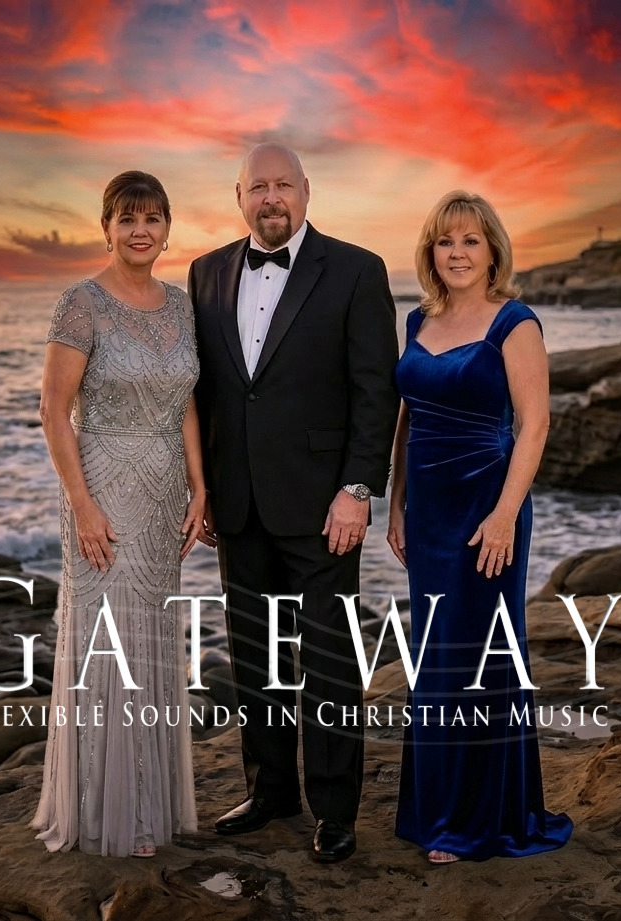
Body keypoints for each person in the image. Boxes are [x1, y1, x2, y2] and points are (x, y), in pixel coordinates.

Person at [188, 143, 400, 862]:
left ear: (306, 191)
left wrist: (358, 490)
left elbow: (376, 391)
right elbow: (207, 392)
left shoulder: (357, 270)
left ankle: (335, 810)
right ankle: (270, 789)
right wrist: (202, 487)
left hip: (323, 506)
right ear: (238, 196)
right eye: (258, 187)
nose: (271, 197)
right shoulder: (205, 272)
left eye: (283, 184)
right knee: (256, 655)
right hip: (237, 503)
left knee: (329, 658)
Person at [387, 190, 573, 864]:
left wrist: (503, 514)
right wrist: (396, 503)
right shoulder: (418, 320)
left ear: (493, 249)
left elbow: (535, 424)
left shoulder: (514, 323)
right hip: (429, 512)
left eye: (470, 240)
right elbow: (408, 417)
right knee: (435, 655)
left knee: (481, 656)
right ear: (430, 252)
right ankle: (436, 809)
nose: (457, 252)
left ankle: (476, 822)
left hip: (486, 509)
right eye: (445, 241)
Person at [31, 171, 206, 858]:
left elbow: (186, 402)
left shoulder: (181, 305)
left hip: (164, 493)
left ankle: (148, 805)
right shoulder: (81, 303)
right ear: (106, 228)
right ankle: (104, 811)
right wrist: (82, 506)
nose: (140, 230)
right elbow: (53, 411)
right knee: (106, 640)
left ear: (167, 229)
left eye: (152, 218)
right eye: (127, 218)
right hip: (101, 487)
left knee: (152, 638)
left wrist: (200, 486)